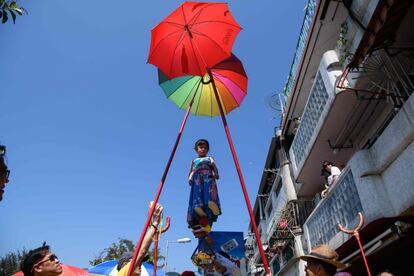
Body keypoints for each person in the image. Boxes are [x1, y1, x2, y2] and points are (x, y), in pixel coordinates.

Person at [117, 203, 164, 276]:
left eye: (140, 261)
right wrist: (155, 223)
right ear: (124, 265)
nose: (140, 264)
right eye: (137, 260)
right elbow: (142, 251)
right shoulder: (121, 274)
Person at [187, 139, 221, 236]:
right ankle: (199, 209)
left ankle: (212, 204)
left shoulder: (210, 158)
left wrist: (217, 174)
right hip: (198, 179)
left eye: (205, 148)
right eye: (201, 147)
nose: (203, 149)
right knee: (198, 195)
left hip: (207, 177)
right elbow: (192, 171)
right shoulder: (194, 161)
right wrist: (189, 178)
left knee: (209, 192)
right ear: (196, 149)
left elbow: (214, 166)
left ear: (207, 149)